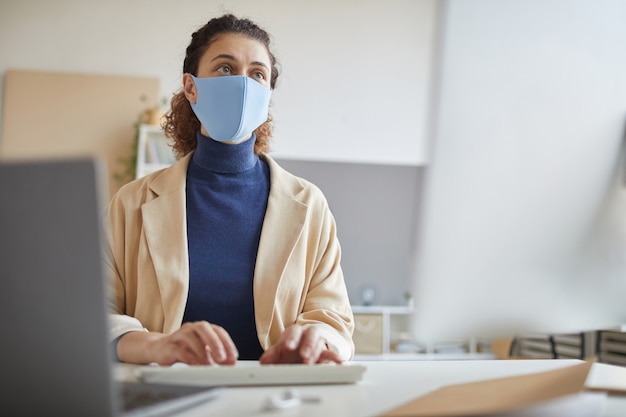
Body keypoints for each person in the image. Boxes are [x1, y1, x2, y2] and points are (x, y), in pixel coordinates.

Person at [104, 14, 354, 366]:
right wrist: (154, 346)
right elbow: (95, 317)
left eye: (257, 74)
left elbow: (334, 320)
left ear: (267, 95)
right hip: (166, 395)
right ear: (191, 87)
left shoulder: (309, 205)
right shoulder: (131, 204)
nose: (242, 84)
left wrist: (318, 339)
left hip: (275, 398)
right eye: (225, 68)